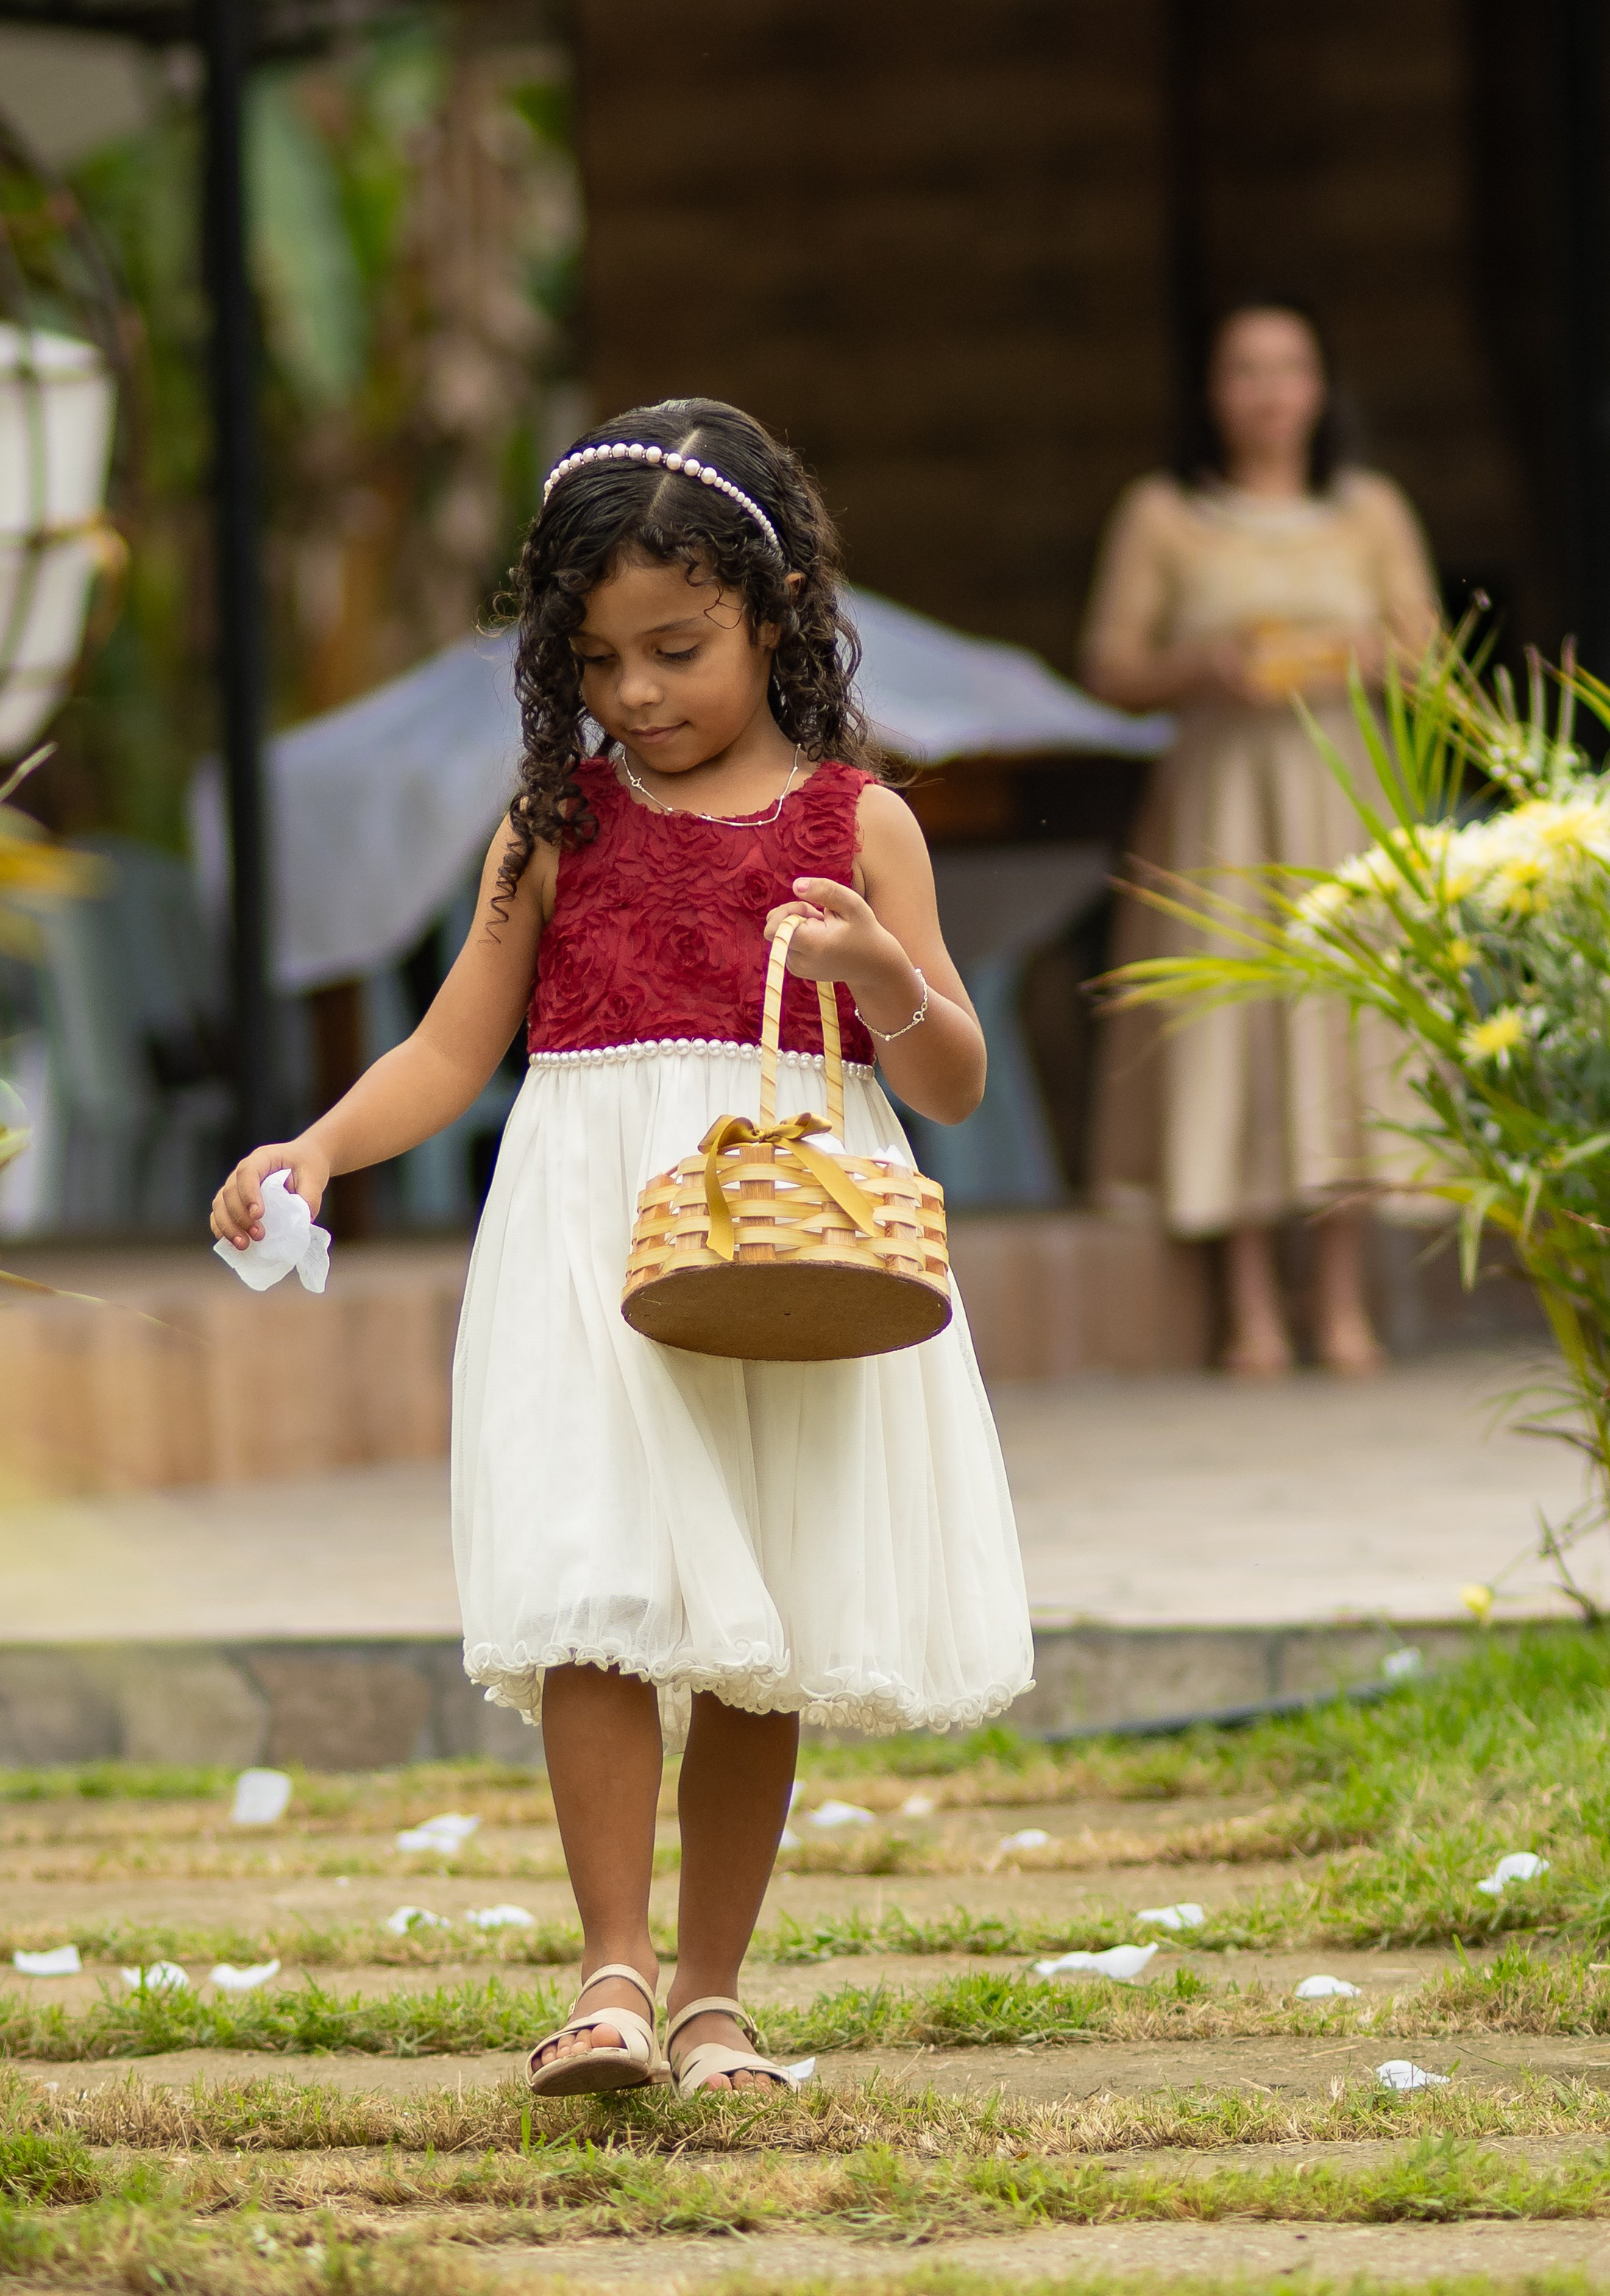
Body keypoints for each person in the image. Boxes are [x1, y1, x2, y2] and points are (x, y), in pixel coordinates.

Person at [213, 394, 1032, 2097]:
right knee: (594, 1586)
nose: (638, 695)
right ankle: (608, 1975)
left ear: (776, 610)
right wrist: (318, 1146)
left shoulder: (856, 824)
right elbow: (452, 1048)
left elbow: (947, 1075)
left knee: (757, 1614)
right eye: (596, 663)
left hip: (780, 1239)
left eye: (676, 649)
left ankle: (716, 1992)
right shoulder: (553, 827)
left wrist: (879, 973)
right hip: (586, 1241)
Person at [1080, 299, 1441, 1377]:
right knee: (1226, 1018)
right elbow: (1110, 664)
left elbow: (1428, 650)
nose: (1271, 390)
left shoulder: (1369, 509)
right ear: (1212, 391)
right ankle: (1249, 1306)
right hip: (1219, 809)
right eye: (1247, 369)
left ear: (1322, 387)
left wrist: (1349, 654)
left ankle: (1340, 1298)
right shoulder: (1162, 514)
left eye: (1291, 368)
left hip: (1346, 798)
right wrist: (1203, 668)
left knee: (1340, 1018)